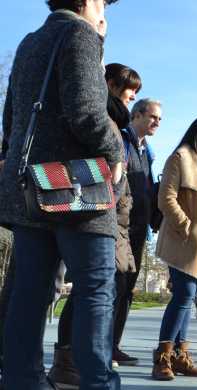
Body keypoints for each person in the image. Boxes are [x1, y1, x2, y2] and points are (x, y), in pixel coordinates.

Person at [0, 0, 124, 388]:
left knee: (29, 293)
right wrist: (115, 150)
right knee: (95, 290)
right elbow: (87, 111)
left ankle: (22, 381)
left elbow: (12, 120)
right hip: (78, 190)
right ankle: (98, 382)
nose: (105, 11)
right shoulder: (80, 34)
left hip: (30, 190)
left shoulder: (29, 42)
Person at [48, 62, 140, 388]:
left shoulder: (116, 123)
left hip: (105, 213)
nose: (130, 103)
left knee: (92, 292)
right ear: (111, 85)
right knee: (94, 293)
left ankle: (71, 364)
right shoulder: (104, 118)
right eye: (129, 96)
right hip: (92, 211)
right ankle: (84, 370)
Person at [151, 115, 197, 381]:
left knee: (188, 296)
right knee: (184, 295)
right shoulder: (180, 157)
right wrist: (186, 225)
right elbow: (165, 198)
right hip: (181, 239)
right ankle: (162, 359)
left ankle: (180, 357)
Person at [113, 96, 161, 367]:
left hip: (140, 230)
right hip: (121, 228)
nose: (157, 122)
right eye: (153, 117)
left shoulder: (146, 151)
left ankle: (113, 346)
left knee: (128, 290)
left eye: (159, 119)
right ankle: (99, 347)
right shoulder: (122, 141)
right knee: (115, 288)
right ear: (137, 115)